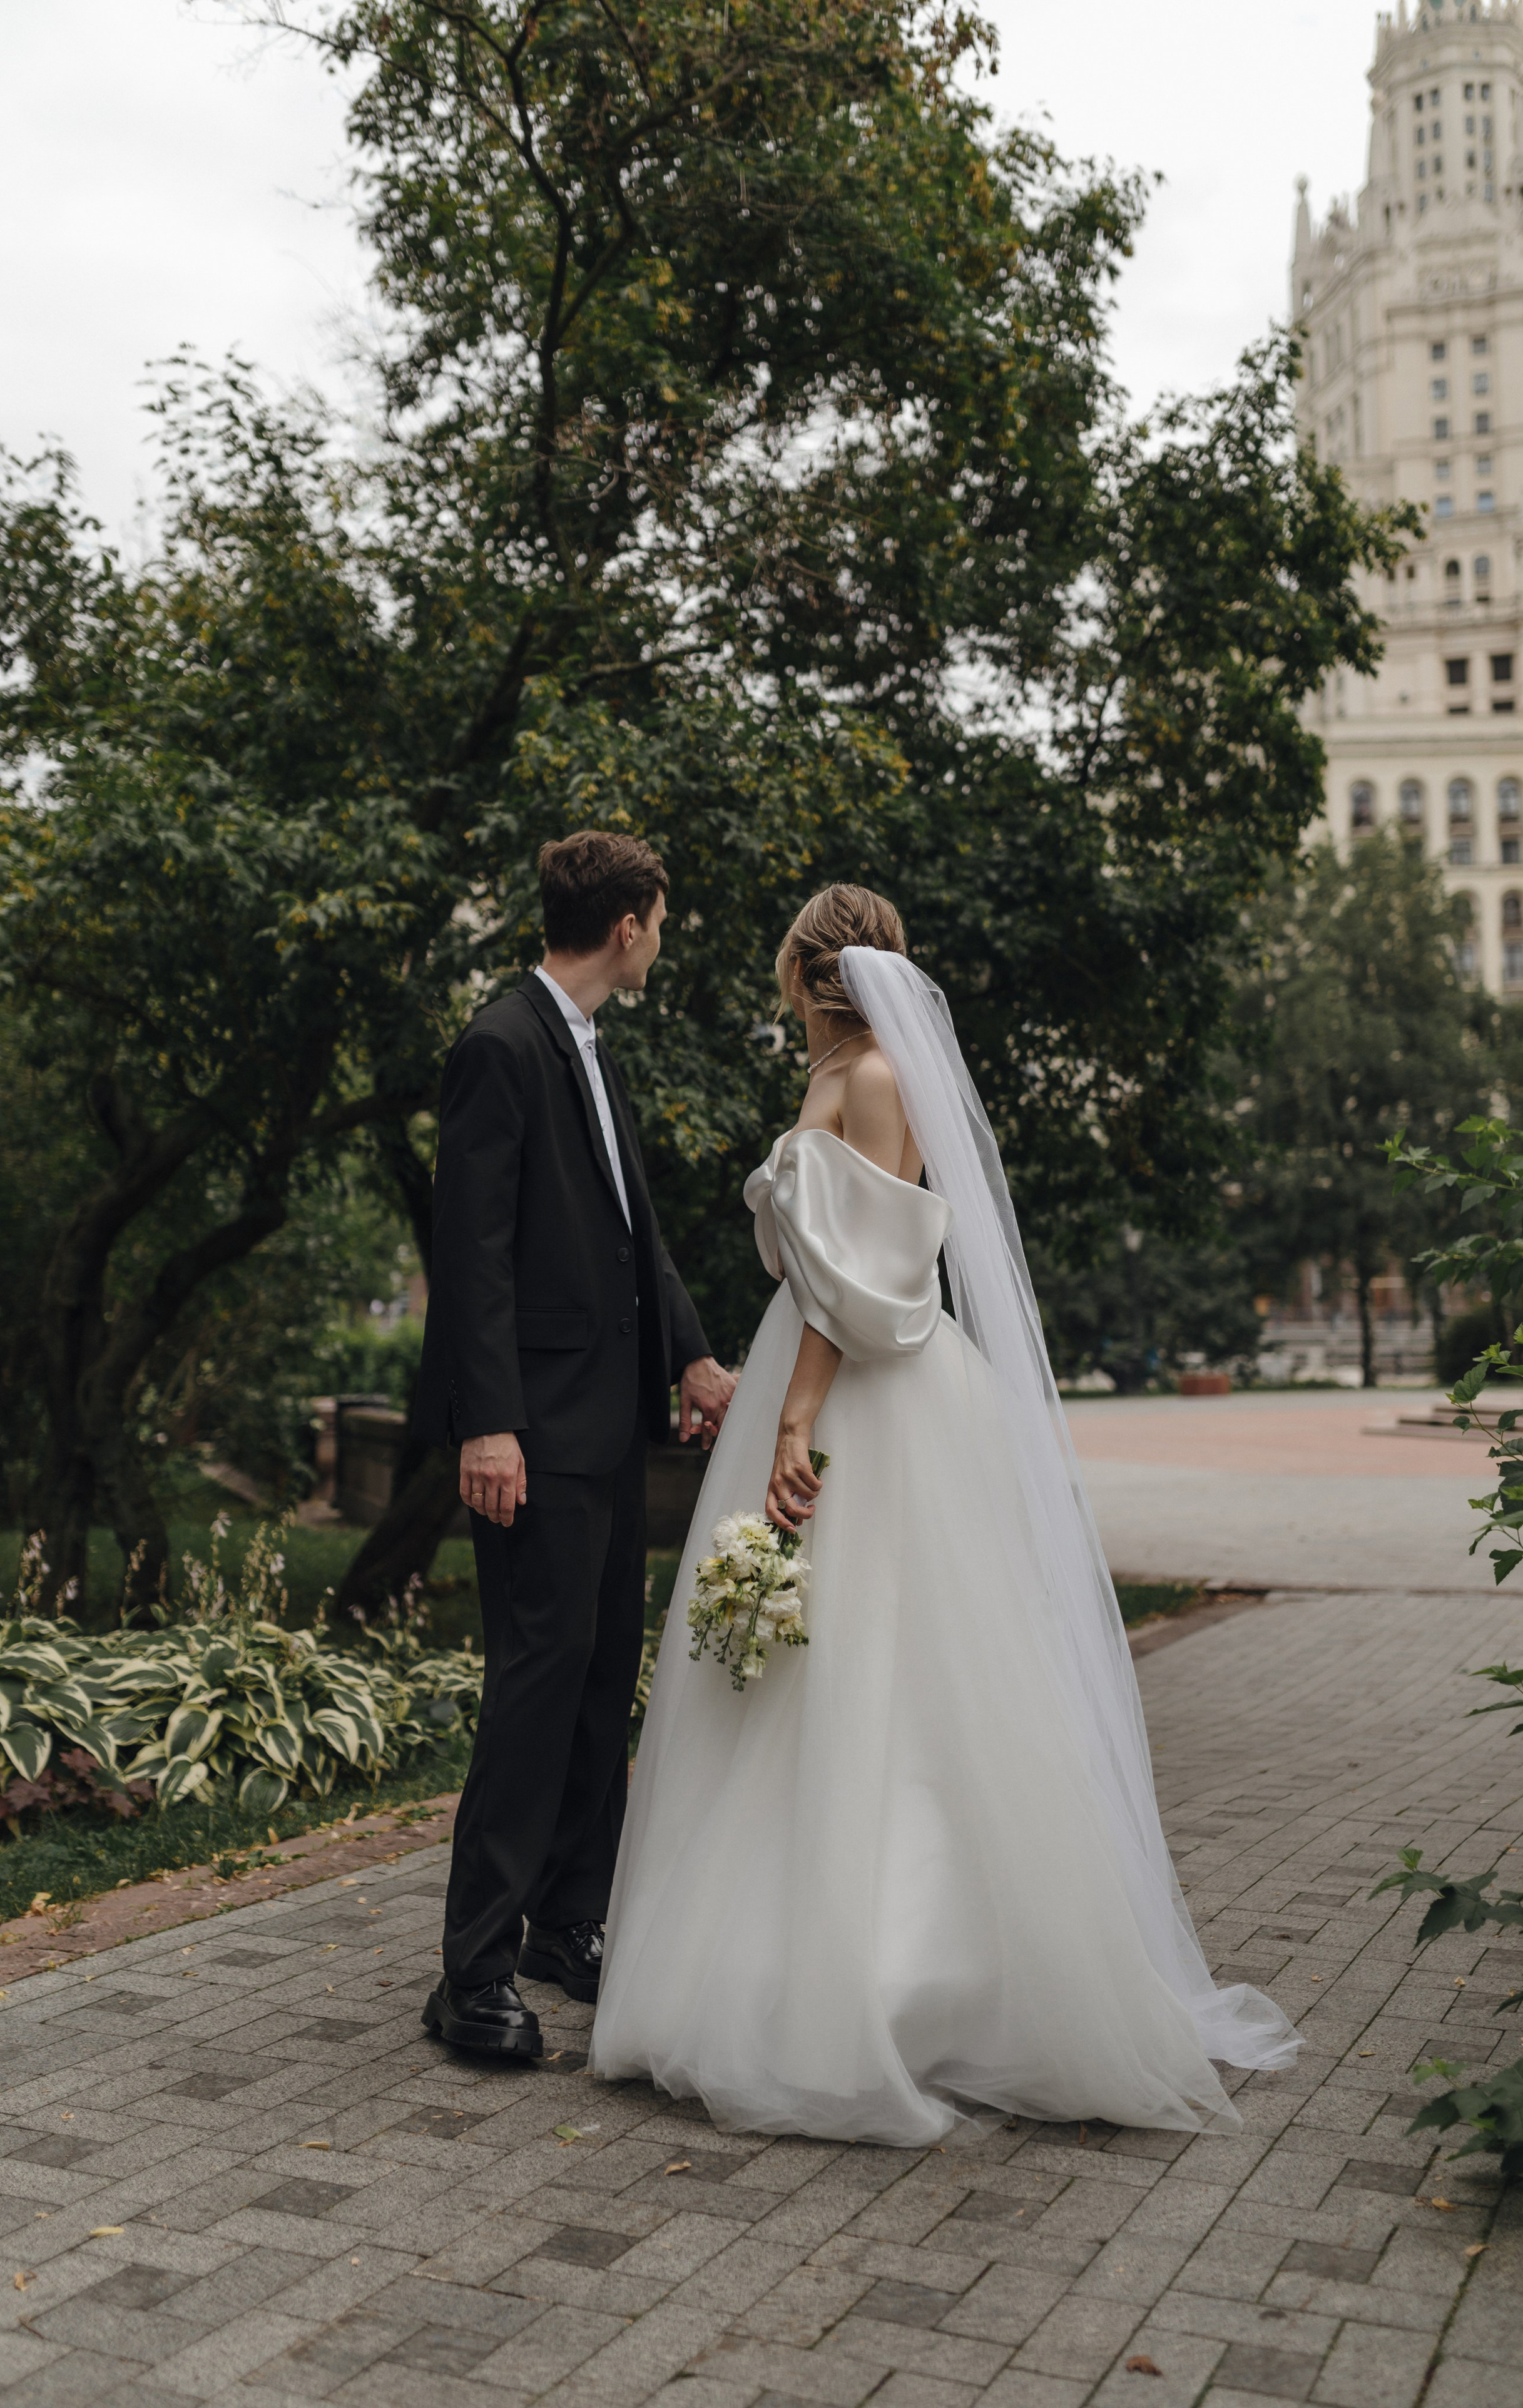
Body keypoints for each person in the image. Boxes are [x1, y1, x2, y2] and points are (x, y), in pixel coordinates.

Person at [590, 884, 1299, 2142]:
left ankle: (895, 1983)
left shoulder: (874, 1077)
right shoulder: (843, 1070)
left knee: (883, 1665)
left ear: (803, 969)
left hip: (860, 1389)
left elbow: (869, 1277)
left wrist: (797, 1415)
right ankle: (781, 1960)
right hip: (821, 1366)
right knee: (811, 1670)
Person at [414, 830, 737, 2058]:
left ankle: (566, 1923)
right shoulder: (500, 1044)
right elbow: (471, 1251)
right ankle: (471, 1975)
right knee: (536, 1690)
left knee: (601, 1679)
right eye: (661, 921)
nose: (663, 940)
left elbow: (630, 1235)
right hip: (532, 1436)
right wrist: (488, 1422)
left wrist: (691, 1358)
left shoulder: (591, 1048)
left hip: (607, 1427)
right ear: (626, 924)